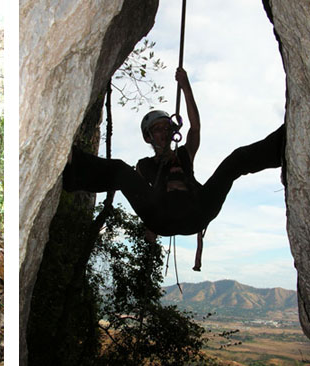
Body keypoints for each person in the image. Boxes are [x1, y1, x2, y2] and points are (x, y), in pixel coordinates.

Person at [63, 67, 285, 269]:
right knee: (121, 171)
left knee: (235, 161)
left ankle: (284, 144)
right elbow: (141, 194)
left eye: (165, 127)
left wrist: (185, 86)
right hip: (163, 217)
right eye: (157, 129)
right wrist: (149, 227)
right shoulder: (145, 165)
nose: (162, 131)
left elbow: (195, 128)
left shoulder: (184, 154)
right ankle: (74, 168)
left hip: (196, 211)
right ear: (148, 137)